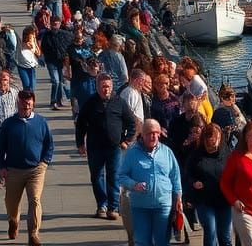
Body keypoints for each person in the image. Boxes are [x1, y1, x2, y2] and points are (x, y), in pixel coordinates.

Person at [0, 89, 54, 246]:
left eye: (29, 102)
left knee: (35, 200)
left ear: (33, 103)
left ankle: (33, 234)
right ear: (18, 103)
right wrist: (1, 166)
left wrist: (45, 162)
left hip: (35, 170)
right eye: (23, 102)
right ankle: (13, 221)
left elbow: (49, 145)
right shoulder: (9, 124)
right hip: (13, 170)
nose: (26, 104)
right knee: (11, 204)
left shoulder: (41, 122)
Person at [76, 72, 135, 220]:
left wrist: (126, 140)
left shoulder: (119, 102)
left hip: (114, 147)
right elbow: (81, 124)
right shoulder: (90, 103)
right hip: (95, 147)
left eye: (108, 87)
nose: (106, 90)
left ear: (112, 87)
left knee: (113, 177)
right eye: (103, 87)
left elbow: (131, 123)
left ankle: (112, 207)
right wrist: (80, 143)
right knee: (96, 177)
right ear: (97, 87)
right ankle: (101, 204)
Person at [117, 118, 183, 246]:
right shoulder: (132, 153)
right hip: (140, 206)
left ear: (159, 133)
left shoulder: (167, 152)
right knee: (142, 241)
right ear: (142, 135)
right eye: (149, 133)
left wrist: (178, 198)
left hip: (163, 205)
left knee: (162, 241)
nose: (153, 136)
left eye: (155, 133)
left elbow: (175, 177)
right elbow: (121, 176)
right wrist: (133, 185)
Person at [186, 122, 232, 246]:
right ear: (205, 139)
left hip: (224, 199)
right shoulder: (196, 155)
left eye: (217, 139)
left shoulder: (227, 153)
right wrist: (194, 183)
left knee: (225, 236)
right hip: (204, 199)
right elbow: (188, 174)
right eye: (211, 139)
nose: (214, 143)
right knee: (210, 232)